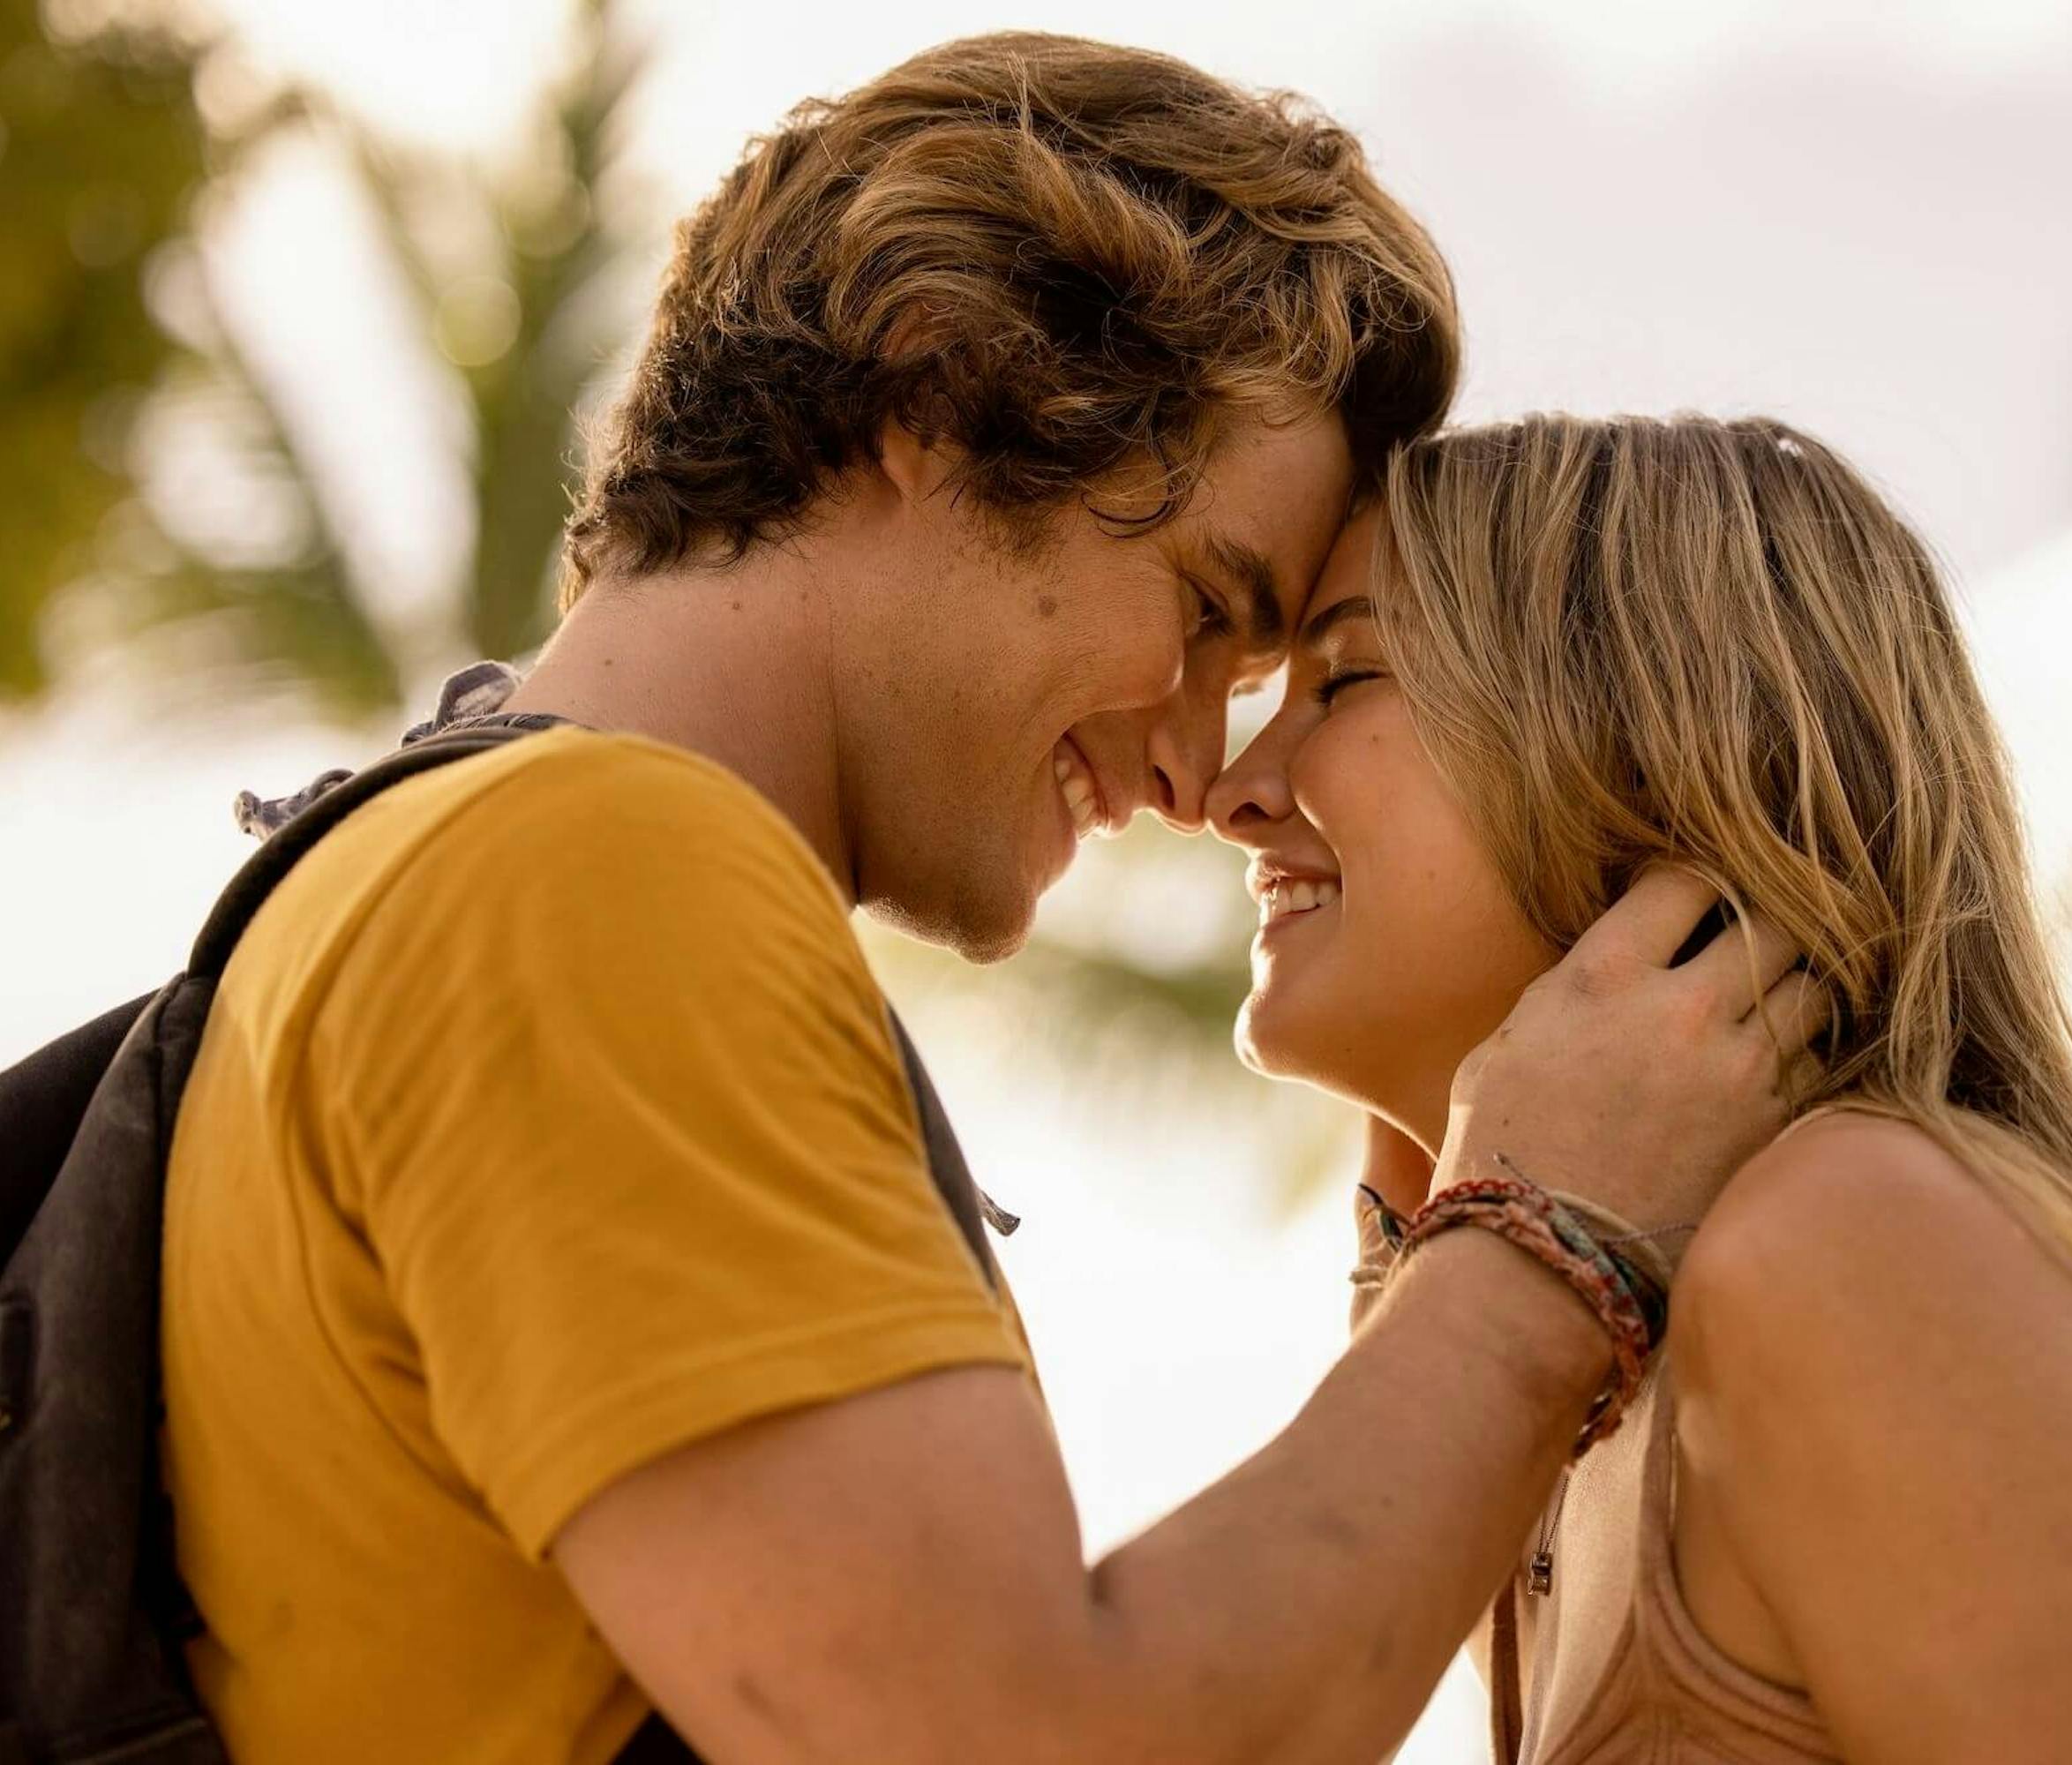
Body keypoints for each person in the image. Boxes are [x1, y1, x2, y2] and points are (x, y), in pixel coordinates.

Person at [158, 37, 1821, 1765]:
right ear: (935, 396)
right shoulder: (589, 875)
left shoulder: (436, 856)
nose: (1191, 771)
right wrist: (1545, 1237)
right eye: (1201, 607)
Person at [1208, 412, 2072, 1765]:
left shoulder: (1849, 1240)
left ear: (1644, 747)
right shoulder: (1607, 1392)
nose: (1232, 790)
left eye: (1342, 682)